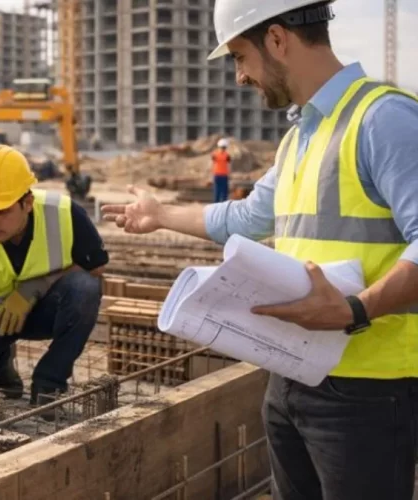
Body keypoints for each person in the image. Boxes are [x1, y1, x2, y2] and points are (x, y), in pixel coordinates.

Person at [101, 1, 418, 498]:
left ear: (276, 39)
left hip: (368, 390)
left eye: (238, 57)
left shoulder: (385, 120)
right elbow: (246, 218)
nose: (239, 77)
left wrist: (355, 309)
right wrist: (160, 216)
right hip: (292, 376)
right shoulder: (300, 138)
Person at [0, 145, 108, 417]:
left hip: (43, 310)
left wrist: (31, 289)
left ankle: (49, 383)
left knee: (85, 288)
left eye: (1, 212)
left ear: (27, 203)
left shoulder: (64, 213)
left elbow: (95, 270)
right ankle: (1, 363)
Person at [212, 138, 231, 202]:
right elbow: (229, 165)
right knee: (223, 193)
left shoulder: (215, 155)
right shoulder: (227, 155)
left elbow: (212, 164)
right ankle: (223, 207)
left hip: (218, 175)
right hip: (223, 175)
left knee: (218, 192)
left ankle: (216, 206)